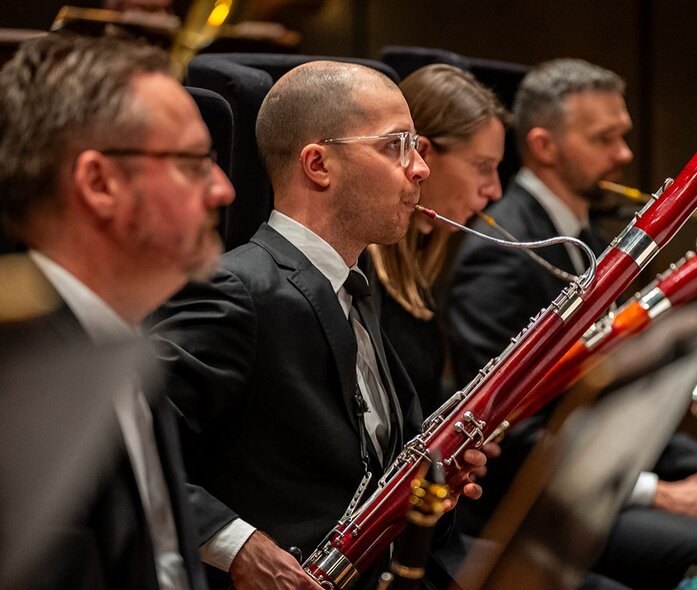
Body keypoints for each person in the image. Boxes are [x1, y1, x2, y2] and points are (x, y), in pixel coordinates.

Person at [149, 60, 491, 590]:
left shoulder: (355, 286)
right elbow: (126, 452)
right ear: (318, 164)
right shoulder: (235, 289)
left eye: (417, 146)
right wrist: (237, 547)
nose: (420, 168)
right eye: (396, 146)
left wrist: (431, 486)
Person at [446, 57, 697, 589]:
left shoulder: (591, 234)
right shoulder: (502, 252)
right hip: (518, 507)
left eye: (623, 136)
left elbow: (611, 398)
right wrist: (660, 492)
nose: (625, 155)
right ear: (544, 147)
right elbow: (510, 433)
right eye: (604, 139)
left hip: (590, 482)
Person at [0, 33, 234, 588]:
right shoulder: (22, 380)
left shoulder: (119, 337)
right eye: (194, 162)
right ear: (99, 183)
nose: (222, 189)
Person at [367, 63, 507, 416]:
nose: (495, 190)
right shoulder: (361, 274)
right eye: (482, 166)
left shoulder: (427, 259)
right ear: (423, 154)